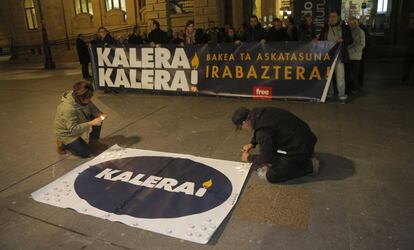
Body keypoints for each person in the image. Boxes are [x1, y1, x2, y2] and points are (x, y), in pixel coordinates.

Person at [232, 107, 319, 183]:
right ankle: (297, 159)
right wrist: (252, 143)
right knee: (271, 152)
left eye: (241, 127)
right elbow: (263, 128)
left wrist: (248, 158)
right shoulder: (260, 113)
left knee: (271, 176)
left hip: (301, 148)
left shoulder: (262, 133)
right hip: (305, 139)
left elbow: (266, 157)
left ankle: (309, 166)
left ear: (244, 123)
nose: (243, 129)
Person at [55, 81, 108, 158]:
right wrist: (91, 123)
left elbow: (93, 109)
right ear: (80, 97)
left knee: (98, 118)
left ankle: (93, 141)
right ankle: (62, 142)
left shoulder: (83, 98)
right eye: (88, 98)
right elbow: (73, 129)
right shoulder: (68, 108)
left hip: (80, 121)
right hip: (67, 133)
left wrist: (100, 115)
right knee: (86, 153)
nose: (89, 100)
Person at [319, 11, 353, 103]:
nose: (332, 18)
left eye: (334, 16)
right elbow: (321, 40)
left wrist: (343, 39)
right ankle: (329, 93)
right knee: (328, 77)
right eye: (330, 16)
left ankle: (341, 94)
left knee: (340, 76)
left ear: (338, 17)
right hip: (328, 56)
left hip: (339, 56)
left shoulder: (344, 27)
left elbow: (350, 39)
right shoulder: (325, 28)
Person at [92, 27, 118, 93]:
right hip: (103, 60)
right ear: (99, 33)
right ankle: (107, 88)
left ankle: (114, 88)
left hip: (110, 59)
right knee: (105, 74)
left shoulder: (110, 39)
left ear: (106, 31)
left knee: (111, 73)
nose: (102, 33)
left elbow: (114, 46)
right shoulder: (99, 40)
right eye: (101, 31)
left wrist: (108, 45)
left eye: (103, 31)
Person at [347, 17, 366, 93]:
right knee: (350, 73)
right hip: (349, 55)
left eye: (351, 23)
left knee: (354, 74)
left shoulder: (360, 31)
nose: (350, 25)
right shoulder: (349, 31)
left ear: (355, 23)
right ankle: (351, 88)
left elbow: (362, 45)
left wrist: (350, 51)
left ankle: (355, 88)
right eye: (349, 23)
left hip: (355, 56)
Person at [402, 20, 414, 85]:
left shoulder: (409, 31)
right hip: (409, 51)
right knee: (407, 66)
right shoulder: (409, 31)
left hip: (409, 51)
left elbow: (405, 38)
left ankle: (405, 79)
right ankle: (405, 78)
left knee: (407, 66)